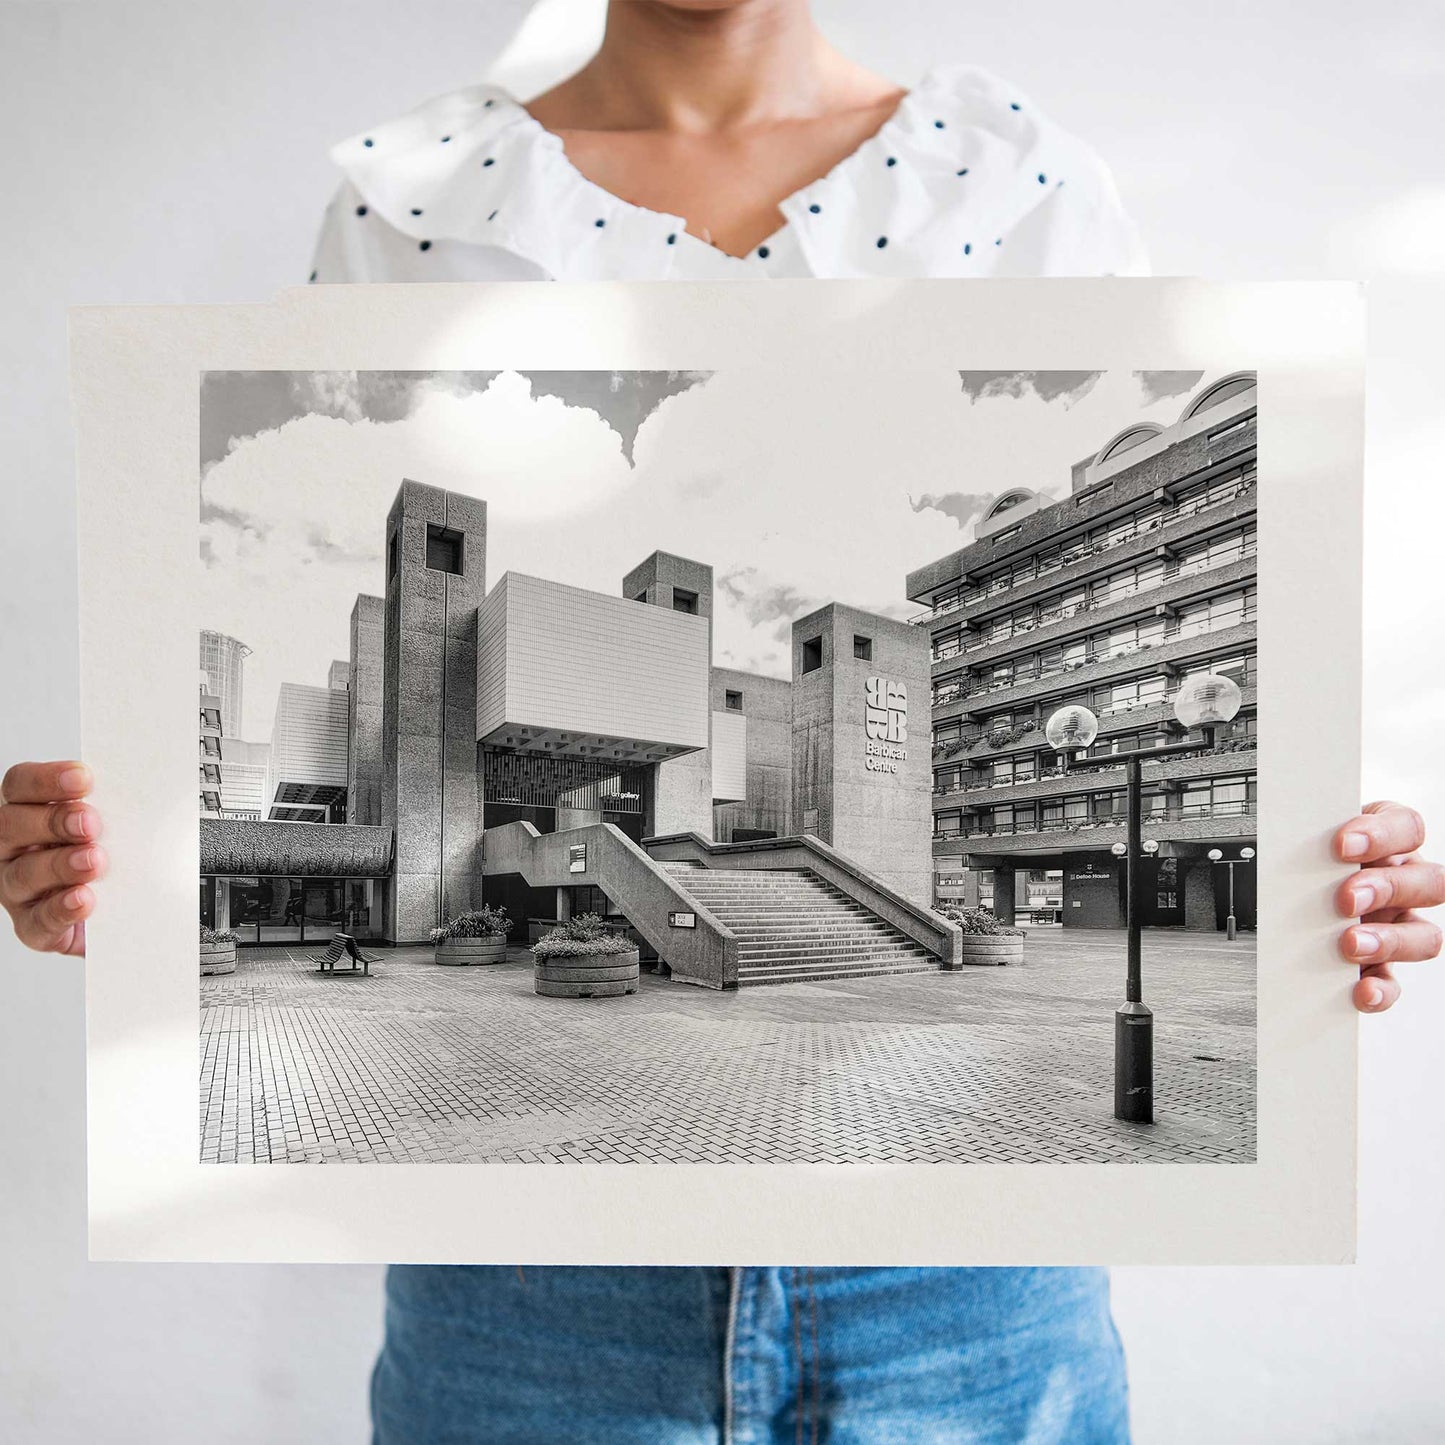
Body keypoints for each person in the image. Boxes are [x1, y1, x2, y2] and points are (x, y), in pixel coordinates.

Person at [4, 3, 1442, 1441]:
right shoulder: (408, 208)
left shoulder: (1019, 186)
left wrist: (1343, 870)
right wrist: (95, 869)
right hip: (523, 1300)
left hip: (965, 1288)